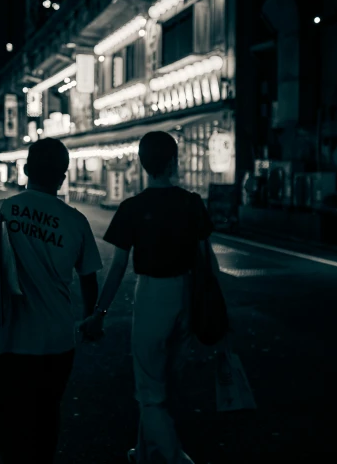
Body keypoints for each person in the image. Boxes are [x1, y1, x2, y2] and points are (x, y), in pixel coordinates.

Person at [80, 131, 214, 464]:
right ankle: (144, 452)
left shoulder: (132, 208)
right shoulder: (192, 203)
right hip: (186, 293)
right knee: (168, 381)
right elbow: (207, 260)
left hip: (152, 293)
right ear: (174, 161)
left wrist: (100, 311)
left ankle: (173, 458)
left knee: (150, 389)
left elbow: (118, 267)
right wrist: (214, 309)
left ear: (141, 164)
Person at [0, 138, 103, 463]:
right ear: (63, 177)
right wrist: (92, 318)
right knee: (46, 415)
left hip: (10, 338)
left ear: (25, 170)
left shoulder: (0, 210)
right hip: (57, 339)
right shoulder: (76, 220)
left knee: (6, 420)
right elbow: (89, 276)